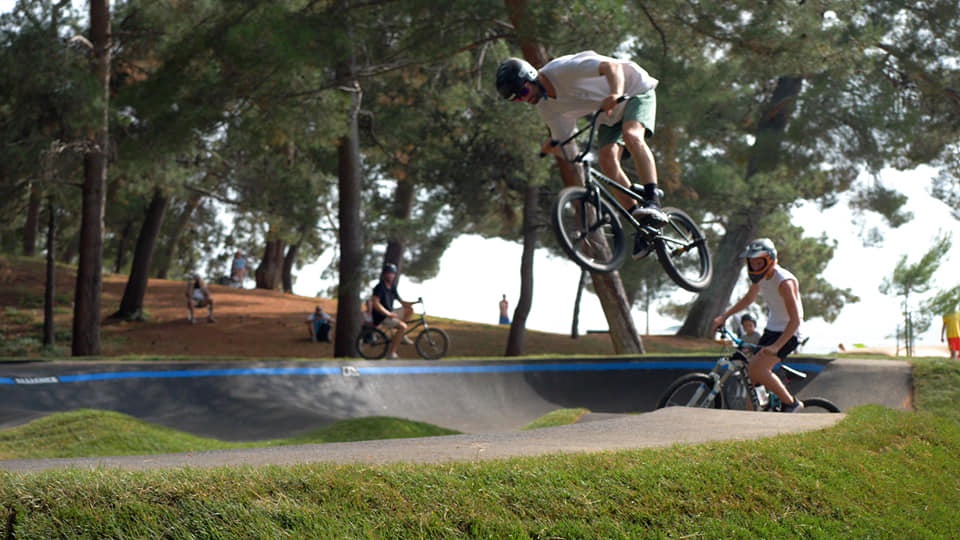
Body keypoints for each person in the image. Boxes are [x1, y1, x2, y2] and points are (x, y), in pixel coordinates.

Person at [496, 52, 667, 257]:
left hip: (633, 89)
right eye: (518, 100)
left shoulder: (562, 70)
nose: (526, 99)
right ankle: (643, 223)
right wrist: (555, 149)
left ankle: (652, 199)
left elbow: (611, 67)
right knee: (607, 161)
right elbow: (564, 142)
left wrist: (614, 93)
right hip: (609, 116)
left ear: (531, 76)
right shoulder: (547, 109)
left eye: (523, 91)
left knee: (631, 134)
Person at [712, 238, 805, 412]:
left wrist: (777, 347)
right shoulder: (761, 278)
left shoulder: (784, 282)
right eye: (752, 262)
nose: (755, 266)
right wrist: (724, 316)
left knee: (757, 369)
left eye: (759, 262)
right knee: (750, 376)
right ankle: (752, 416)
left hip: (790, 333)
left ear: (769, 259)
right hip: (772, 330)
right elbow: (748, 299)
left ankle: (792, 404)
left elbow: (796, 320)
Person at [371, 263, 414, 359]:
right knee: (402, 327)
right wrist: (388, 314)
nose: (391, 275)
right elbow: (375, 303)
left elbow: (401, 302)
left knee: (409, 310)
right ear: (384, 274)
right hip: (381, 316)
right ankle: (391, 353)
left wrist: (414, 302)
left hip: (390, 313)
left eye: (392, 273)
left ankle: (401, 335)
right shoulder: (380, 287)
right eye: (388, 273)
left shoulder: (392, 287)